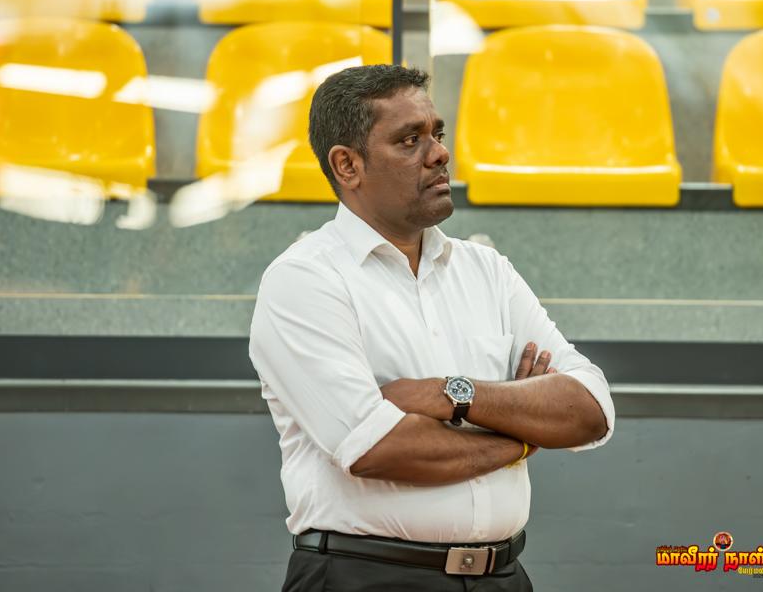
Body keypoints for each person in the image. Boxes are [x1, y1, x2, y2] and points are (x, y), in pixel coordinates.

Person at [249, 64, 615, 592]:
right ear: (347, 165)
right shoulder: (304, 280)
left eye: (437, 134)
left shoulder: (487, 270)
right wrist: (522, 437)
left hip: (503, 578)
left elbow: (590, 411)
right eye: (409, 140)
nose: (440, 153)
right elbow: (378, 448)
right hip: (365, 578)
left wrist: (449, 394)